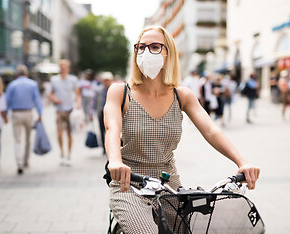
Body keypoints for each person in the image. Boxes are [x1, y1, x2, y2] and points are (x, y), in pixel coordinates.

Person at [104, 26, 260, 232]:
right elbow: (111, 128)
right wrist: (115, 161)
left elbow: (211, 130)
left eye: (154, 47)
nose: (145, 52)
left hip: (168, 184)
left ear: (168, 52)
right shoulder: (120, 92)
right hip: (128, 183)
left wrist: (242, 162)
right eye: (140, 47)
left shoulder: (181, 95)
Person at [5, 65, 43, 175]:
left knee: (17, 140)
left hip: (16, 113)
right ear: (26, 74)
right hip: (28, 113)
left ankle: (19, 163)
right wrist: (40, 114)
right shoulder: (32, 84)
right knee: (28, 138)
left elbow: (7, 101)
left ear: (17, 74)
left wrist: (5, 115)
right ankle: (26, 160)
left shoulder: (12, 85)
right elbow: (37, 100)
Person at [50, 59, 80, 166]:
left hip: (70, 110)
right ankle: (62, 153)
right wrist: (54, 99)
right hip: (59, 110)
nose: (63, 69)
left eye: (64, 67)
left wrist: (78, 104)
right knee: (59, 133)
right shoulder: (54, 80)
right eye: (61, 67)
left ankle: (69, 155)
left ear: (67, 69)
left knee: (69, 133)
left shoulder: (73, 80)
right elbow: (51, 94)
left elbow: (77, 94)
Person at [93, 71, 114, 155]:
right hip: (101, 111)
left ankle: (111, 147)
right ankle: (104, 147)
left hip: (112, 113)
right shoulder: (98, 90)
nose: (106, 82)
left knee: (111, 129)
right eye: (105, 80)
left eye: (108, 80)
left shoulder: (114, 89)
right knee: (102, 130)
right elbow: (94, 101)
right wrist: (92, 112)